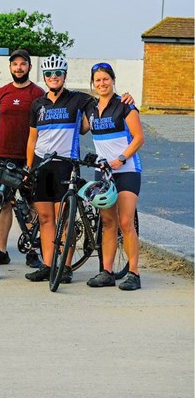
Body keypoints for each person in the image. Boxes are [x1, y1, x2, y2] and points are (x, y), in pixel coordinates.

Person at [24, 55, 93, 283]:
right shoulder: (38, 104)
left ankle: (65, 266)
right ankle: (47, 264)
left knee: (64, 219)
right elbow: (32, 139)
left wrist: (126, 99)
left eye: (57, 74)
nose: (53, 78)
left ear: (64, 76)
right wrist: (29, 167)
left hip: (66, 165)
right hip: (42, 165)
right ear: (43, 77)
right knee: (45, 219)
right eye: (49, 74)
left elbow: (103, 102)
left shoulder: (77, 99)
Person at [0, 49, 45, 268]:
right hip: (4, 157)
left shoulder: (38, 94)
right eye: (15, 64)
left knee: (32, 204)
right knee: (3, 203)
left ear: (29, 67)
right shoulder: (2, 93)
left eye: (23, 64)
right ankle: (1, 250)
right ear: (10, 67)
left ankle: (33, 250)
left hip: (29, 159)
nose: (19, 68)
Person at [83, 63, 144, 291]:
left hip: (127, 170)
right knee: (108, 223)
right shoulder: (90, 108)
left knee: (126, 222)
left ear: (113, 80)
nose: (102, 83)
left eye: (105, 79)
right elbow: (81, 128)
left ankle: (133, 273)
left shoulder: (125, 106)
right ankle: (107, 271)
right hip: (103, 172)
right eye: (97, 80)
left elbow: (138, 138)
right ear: (93, 83)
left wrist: (121, 158)